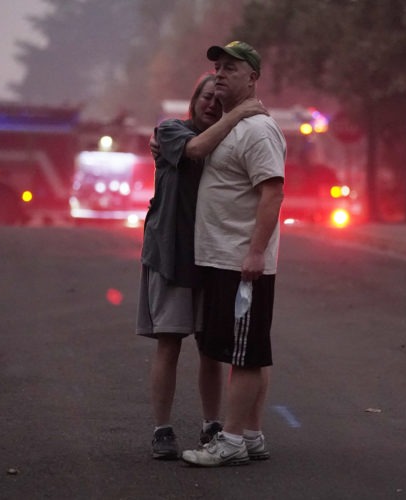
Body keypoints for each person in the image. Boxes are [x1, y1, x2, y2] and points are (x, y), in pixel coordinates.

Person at [136, 72, 267, 460]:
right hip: (171, 255)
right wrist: (240, 111)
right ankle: (162, 429)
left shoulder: (228, 142)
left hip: (213, 257)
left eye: (218, 99)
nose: (211, 104)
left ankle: (212, 424)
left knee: (211, 349)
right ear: (193, 100)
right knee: (169, 342)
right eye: (206, 97)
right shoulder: (172, 131)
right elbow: (195, 149)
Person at [181, 41, 286, 467]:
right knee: (239, 348)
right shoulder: (231, 125)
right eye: (217, 67)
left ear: (252, 77)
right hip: (217, 257)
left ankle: (233, 440)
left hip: (241, 260)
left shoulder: (259, 130)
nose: (221, 74)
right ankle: (252, 435)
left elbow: (273, 193)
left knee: (245, 353)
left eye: (231, 68)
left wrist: (256, 253)